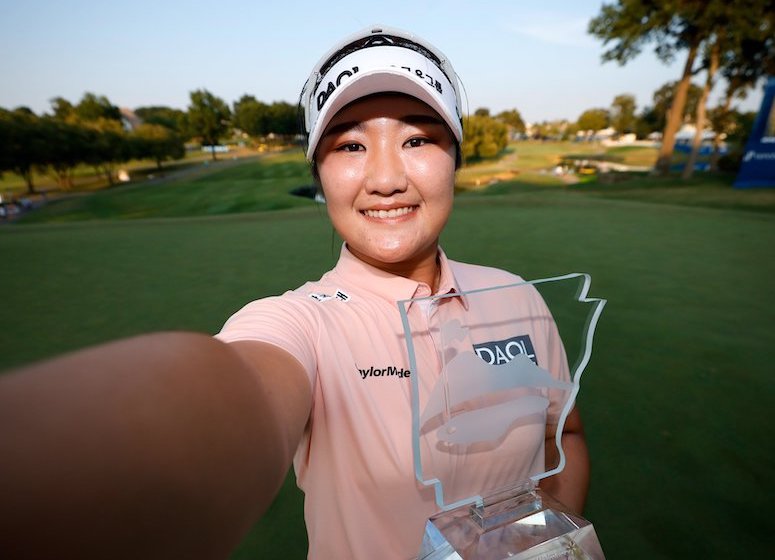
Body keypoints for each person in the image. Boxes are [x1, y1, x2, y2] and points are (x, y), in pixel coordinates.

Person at [0, 25, 589, 560]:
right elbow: (240, 390)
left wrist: (555, 539)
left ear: (454, 159)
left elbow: (564, 434)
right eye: (350, 146)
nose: (386, 179)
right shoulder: (298, 322)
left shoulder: (517, 296)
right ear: (319, 174)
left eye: (418, 139)